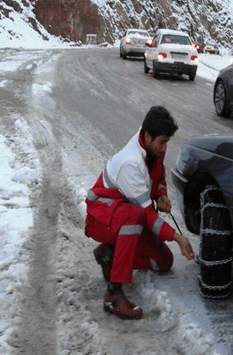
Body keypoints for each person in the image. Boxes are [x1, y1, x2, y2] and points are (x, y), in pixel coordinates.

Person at [84, 106, 195, 319]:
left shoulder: (153, 148)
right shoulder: (131, 163)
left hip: (123, 215)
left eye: (166, 143)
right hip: (102, 217)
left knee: (163, 261)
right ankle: (113, 294)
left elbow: (158, 176)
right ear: (147, 136)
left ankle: (110, 255)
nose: (164, 149)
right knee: (135, 218)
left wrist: (161, 193)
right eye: (162, 142)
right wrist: (177, 237)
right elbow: (147, 216)